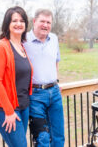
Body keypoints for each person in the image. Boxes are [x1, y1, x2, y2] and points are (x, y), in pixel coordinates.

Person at [0, 6, 33, 147]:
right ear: (7, 24)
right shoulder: (2, 47)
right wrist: (8, 111)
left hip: (23, 107)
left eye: (22, 20)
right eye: (14, 20)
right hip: (5, 109)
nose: (18, 24)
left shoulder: (22, 47)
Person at [24, 9, 65, 147]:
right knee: (42, 139)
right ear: (34, 21)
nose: (45, 25)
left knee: (58, 136)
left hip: (54, 92)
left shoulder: (54, 38)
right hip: (35, 96)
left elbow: (56, 62)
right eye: (42, 21)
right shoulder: (23, 40)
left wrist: (55, 81)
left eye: (48, 22)